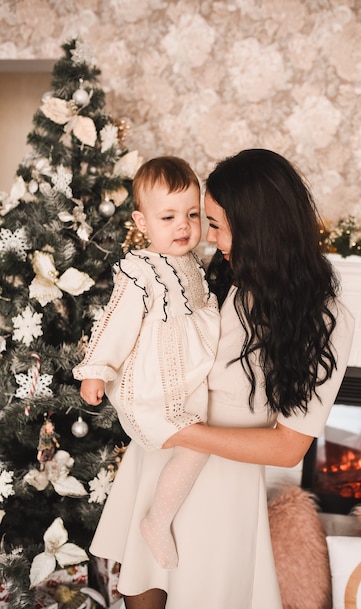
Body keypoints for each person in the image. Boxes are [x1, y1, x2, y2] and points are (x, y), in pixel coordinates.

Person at [88, 148, 354, 609]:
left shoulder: (326, 319)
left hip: (220, 488)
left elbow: (288, 447)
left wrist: (184, 434)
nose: (205, 237)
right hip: (158, 468)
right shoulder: (214, 277)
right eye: (203, 221)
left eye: (215, 224)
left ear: (258, 226)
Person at [73, 156, 220, 570]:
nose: (184, 226)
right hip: (156, 384)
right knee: (196, 447)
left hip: (188, 377)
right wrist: (97, 369)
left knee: (199, 444)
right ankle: (157, 520)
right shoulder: (142, 270)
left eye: (193, 214)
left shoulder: (194, 265)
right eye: (169, 216)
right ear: (141, 221)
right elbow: (115, 321)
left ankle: (164, 518)